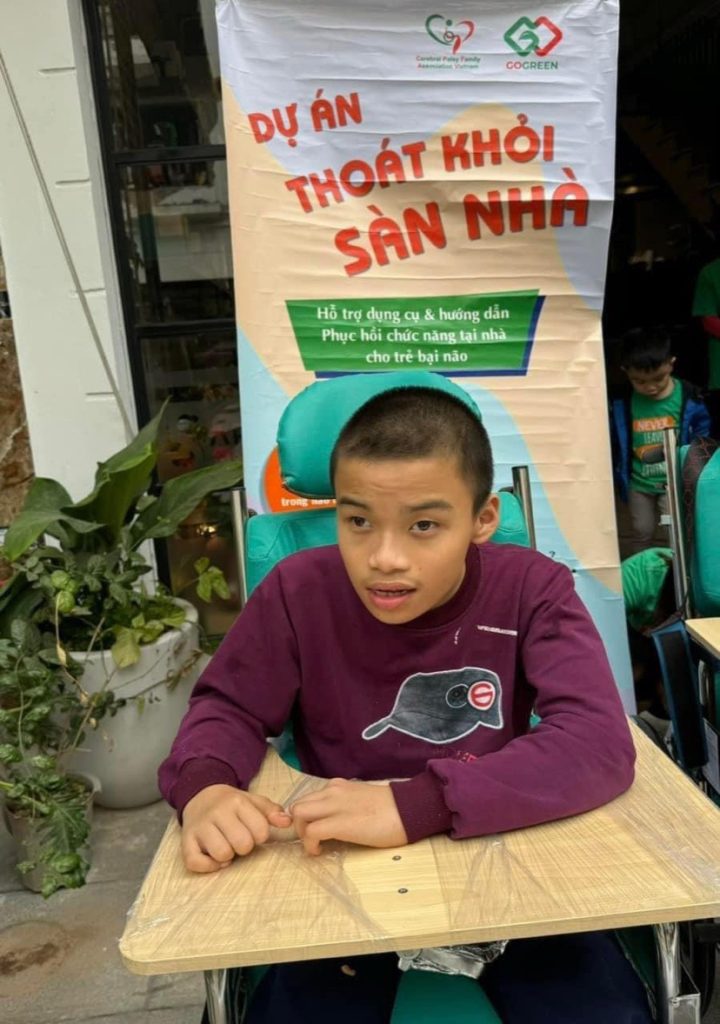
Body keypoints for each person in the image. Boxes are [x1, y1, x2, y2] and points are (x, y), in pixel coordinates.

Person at [159, 384, 650, 1024]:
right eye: (358, 521)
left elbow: (595, 740)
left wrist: (414, 804)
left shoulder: (533, 587)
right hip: (336, 870)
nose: (384, 559)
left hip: (504, 855)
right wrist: (205, 788)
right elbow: (228, 706)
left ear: (483, 519)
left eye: (424, 525)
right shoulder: (297, 590)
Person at [610, 327, 710, 555]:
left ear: (671, 363)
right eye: (639, 381)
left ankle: (674, 572)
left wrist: (693, 469)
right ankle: (642, 570)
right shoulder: (622, 401)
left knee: (673, 532)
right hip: (639, 482)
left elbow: (702, 435)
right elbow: (617, 441)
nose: (650, 387)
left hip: (674, 481)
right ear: (625, 371)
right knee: (640, 530)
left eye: (658, 378)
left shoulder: (690, 397)